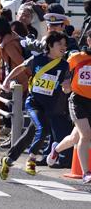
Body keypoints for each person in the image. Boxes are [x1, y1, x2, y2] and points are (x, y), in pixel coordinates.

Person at [0, 31, 70, 180]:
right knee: (42, 129)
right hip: (34, 103)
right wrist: (7, 80)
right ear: (50, 45)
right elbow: (21, 68)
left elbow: (66, 86)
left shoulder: (65, 65)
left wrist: (67, 87)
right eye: (60, 44)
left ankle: (9, 159)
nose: (63, 47)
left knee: (29, 135)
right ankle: (31, 160)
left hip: (50, 106)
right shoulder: (38, 59)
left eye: (65, 44)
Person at [48, 30, 91, 183]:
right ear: (88, 41)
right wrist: (65, 83)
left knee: (75, 137)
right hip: (78, 100)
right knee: (86, 135)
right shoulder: (77, 57)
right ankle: (86, 173)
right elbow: (64, 70)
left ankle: (56, 149)